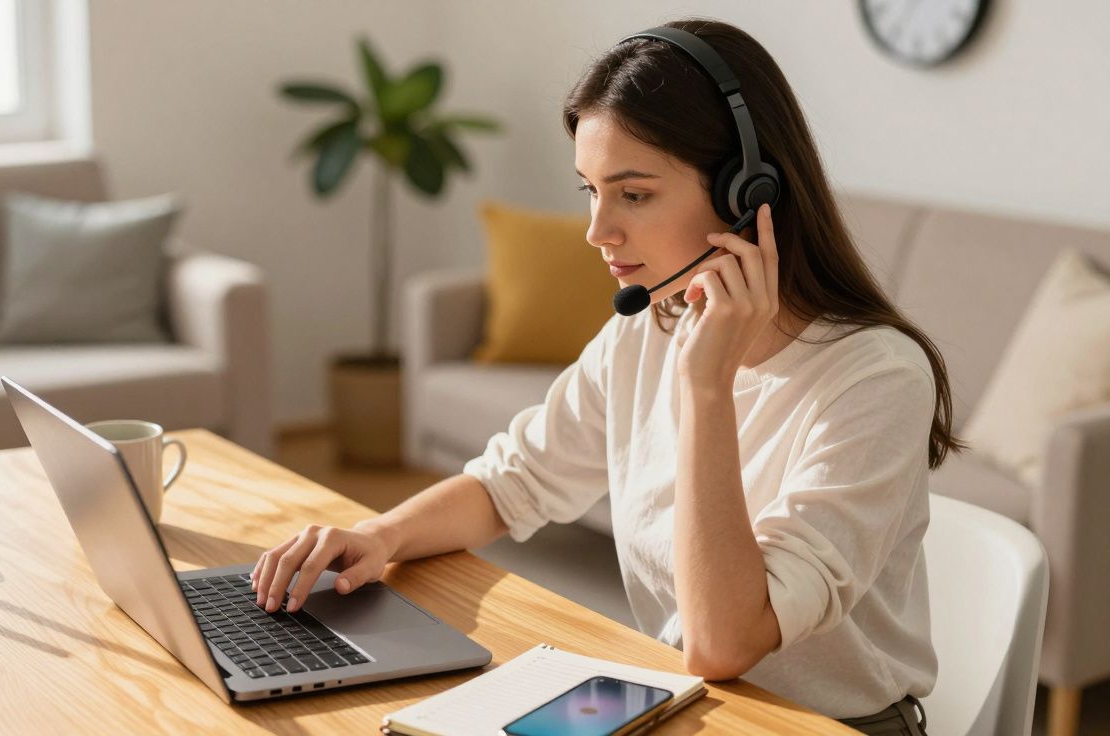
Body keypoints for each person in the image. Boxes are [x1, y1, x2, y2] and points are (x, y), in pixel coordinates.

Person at [252, 18, 963, 735]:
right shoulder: (649, 326)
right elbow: (514, 482)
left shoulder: (877, 380)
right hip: (693, 706)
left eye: (634, 194)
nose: (598, 231)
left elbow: (724, 642)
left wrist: (705, 390)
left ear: (750, 193)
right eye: (591, 189)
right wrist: (381, 536)